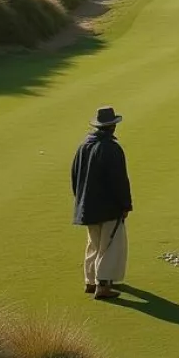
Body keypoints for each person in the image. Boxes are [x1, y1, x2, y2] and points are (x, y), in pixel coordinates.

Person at [71, 105, 133, 301]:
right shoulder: (112, 149)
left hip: (86, 206)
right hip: (108, 207)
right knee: (110, 245)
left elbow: (75, 177)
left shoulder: (83, 146)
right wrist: (125, 205)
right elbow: (119, 181)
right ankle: (103, 285)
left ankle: (90, 281)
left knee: (94, 243)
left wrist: (80, 200)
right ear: (112, 127)